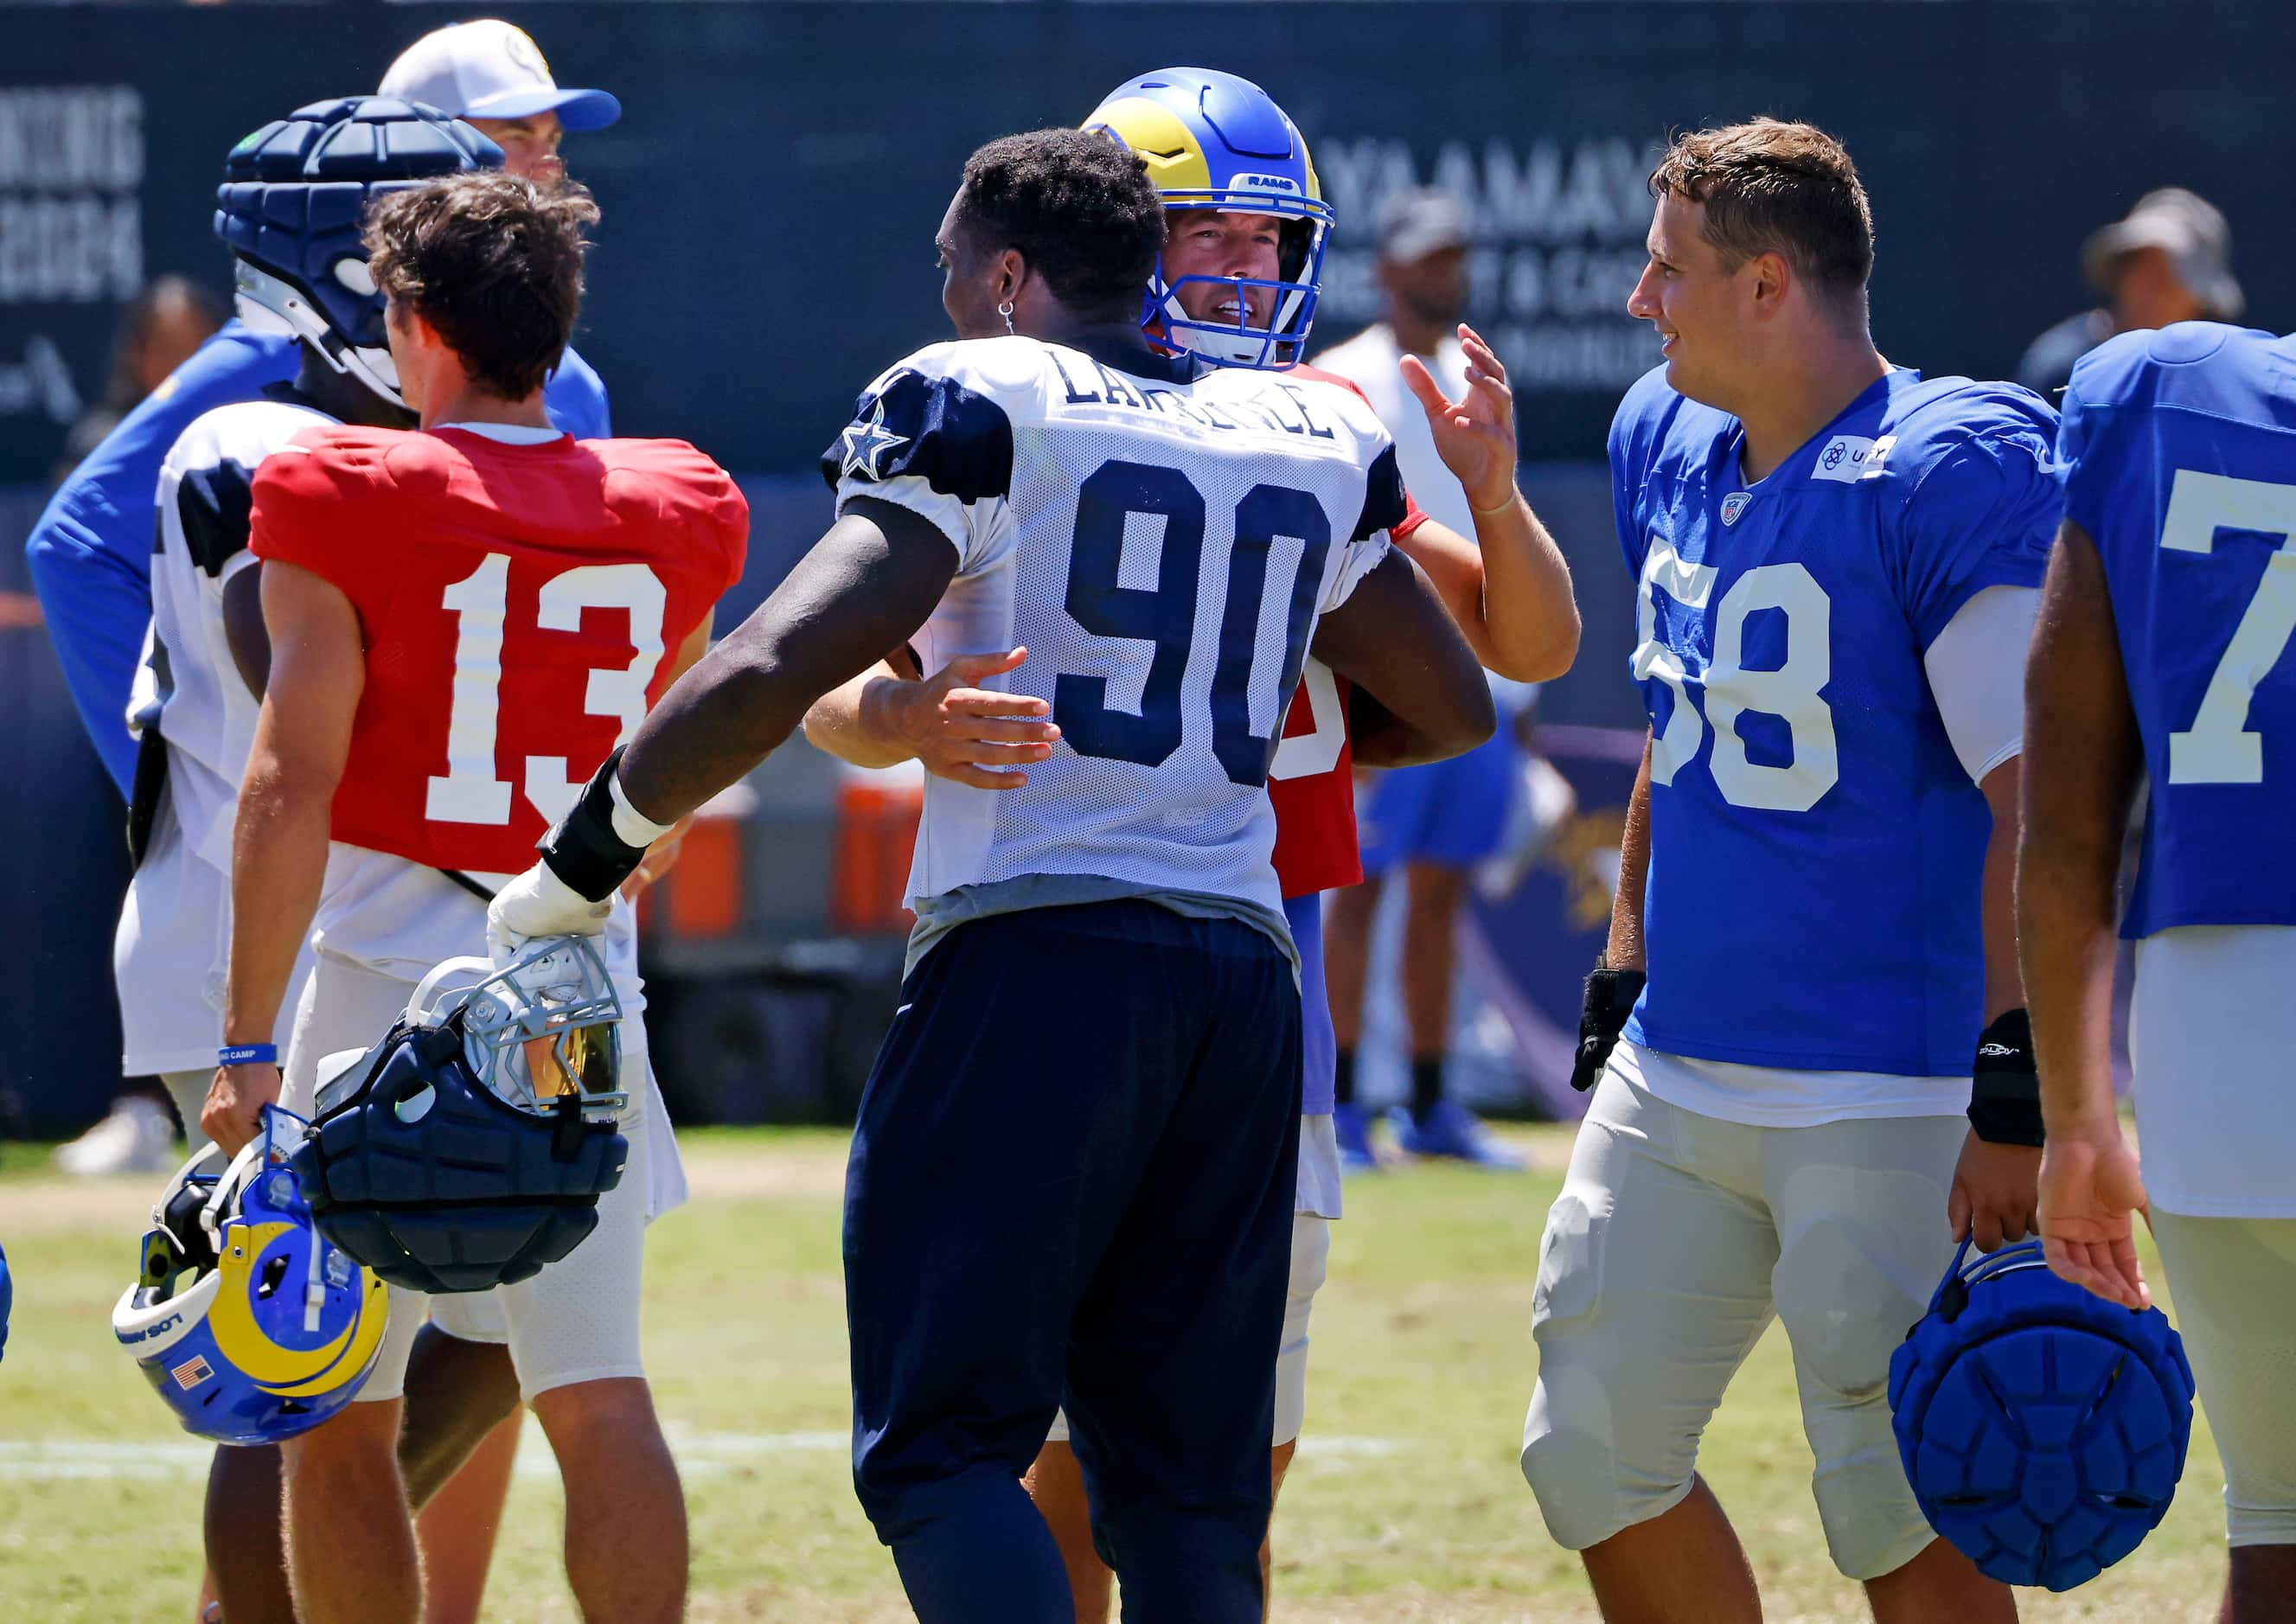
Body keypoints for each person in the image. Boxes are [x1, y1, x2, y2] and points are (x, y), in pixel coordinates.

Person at [487, 126, 1494, 1622]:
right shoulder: (1302, 425)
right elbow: (1456, 706)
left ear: (1012, 274)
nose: (948, 293)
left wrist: (579, 866)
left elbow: (775, 658)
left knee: (946, 1450)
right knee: (1190, 1497)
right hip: (1237, 988)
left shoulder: (980, 396)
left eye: (957, 266)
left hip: (1033, 961)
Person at [1525, 118, 2062, 1624]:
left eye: (1667, 269)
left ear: (1769, 284)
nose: (1642, 300)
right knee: (1591, 1452)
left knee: (1902, 1497)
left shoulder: (1946, 465)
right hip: (1683, 1073)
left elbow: (2038, 797)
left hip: (1883, 1088)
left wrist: (2017, 1078)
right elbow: (1676, 715)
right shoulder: (1667, 433)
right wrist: (1629, 939)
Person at [200, 168, 743, 1624]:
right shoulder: (678, 499)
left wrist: (243, 1043)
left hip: (378, 986)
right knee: (598, 1392)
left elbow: (283, 784)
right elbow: (670, 789)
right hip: (575, 998)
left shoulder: (334, 485)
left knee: (342, 1413)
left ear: (416, 324)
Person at [34, 14, 619, 1178]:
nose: (542, 165)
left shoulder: (570, 385)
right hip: (330, 903)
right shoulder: (273, 381)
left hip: (513, 892)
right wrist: (190, 797)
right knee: (311, 1288)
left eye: (550, 139)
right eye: (511, 137)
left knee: (527, 1263)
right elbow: (78, 544)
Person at [2023, 318, 2296, 1623]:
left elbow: (2065, 815)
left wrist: (2075, 1116)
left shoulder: (2157, 392)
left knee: (2275, 1530)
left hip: (2210, 1055)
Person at [1317, 187, 1538, 1168]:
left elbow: (1497, 535)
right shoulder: (1340, 378)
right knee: (1355, 893)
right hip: (1379, 687)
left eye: (1453, 258)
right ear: (1388, 271)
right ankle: (1343, 1109)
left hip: (1480, 689)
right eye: (1426, 260)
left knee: (1442, 897)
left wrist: (1518, 700)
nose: (1443, 276)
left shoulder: (1476, 375)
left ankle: (1433, 1107)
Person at [2014, 188, 2242, 399]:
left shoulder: (2227, 381)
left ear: (2202, 301)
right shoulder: (2062, 368)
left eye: (2170, 275)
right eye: (2140, 270)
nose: (2150, 290)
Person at [48, 275, 224, 489]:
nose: (181, 364)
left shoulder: (236, 434)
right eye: (167, 350)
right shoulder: (100, 444)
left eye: (194, 350)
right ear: (137, 356)